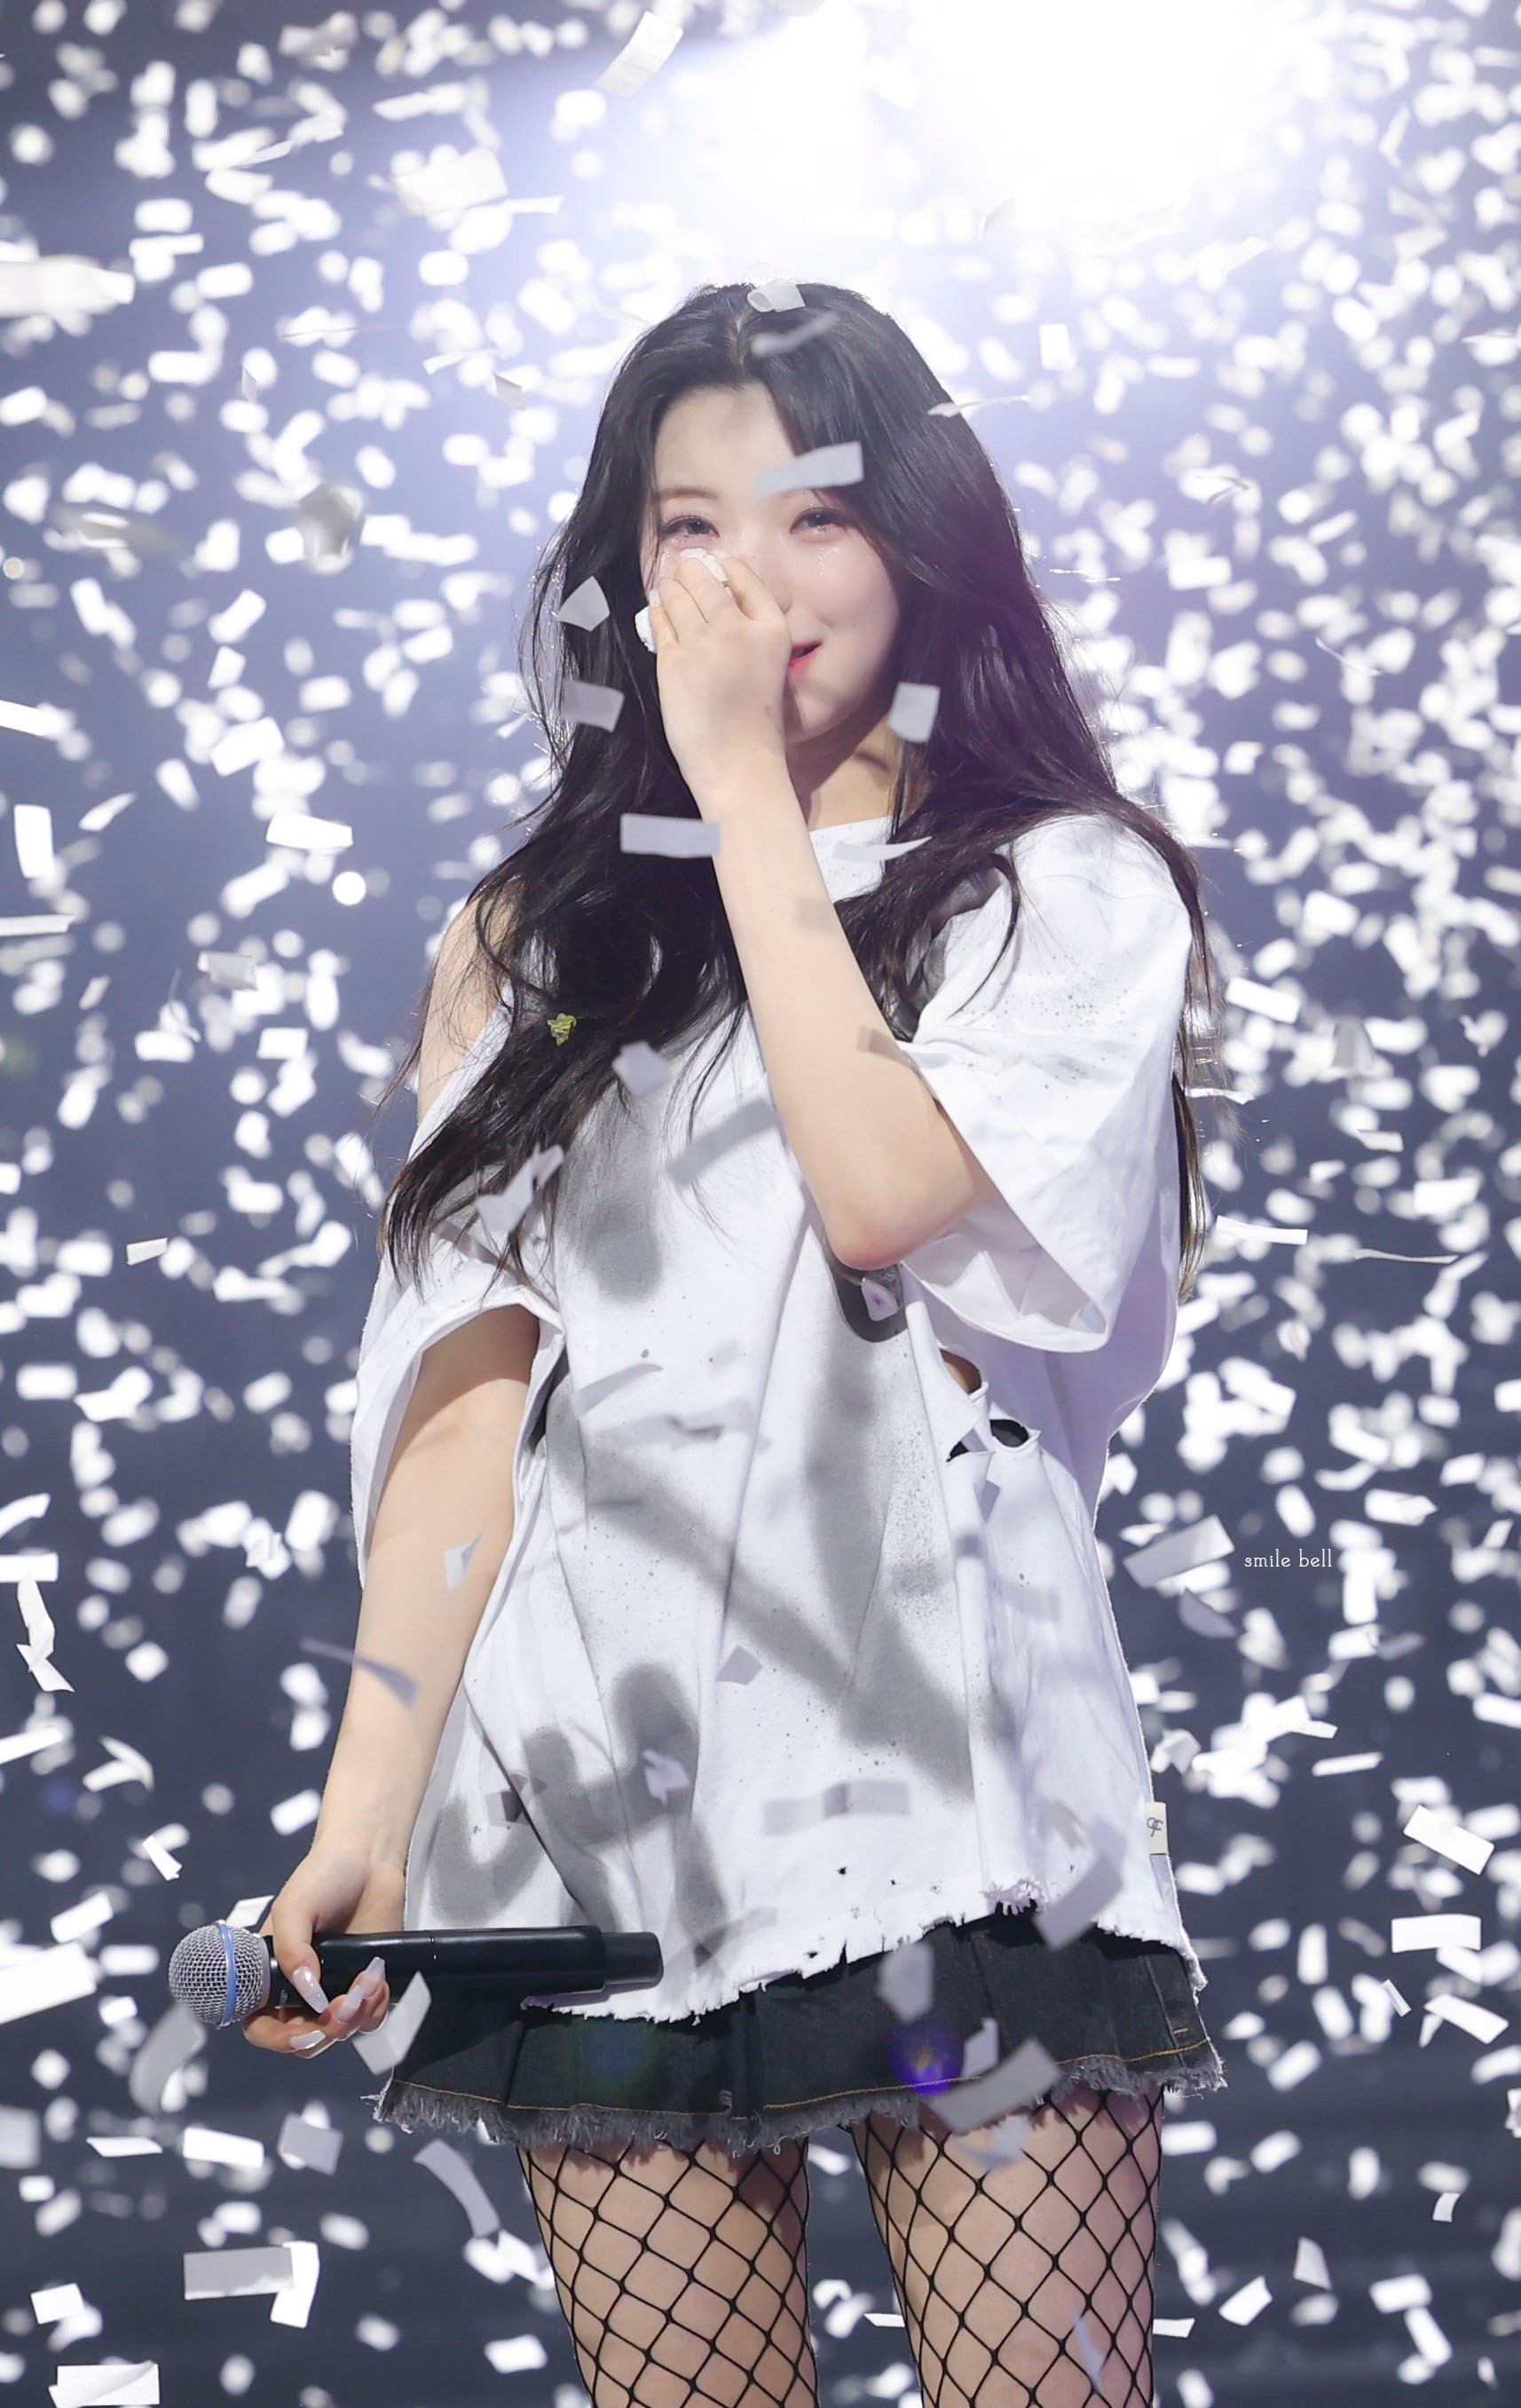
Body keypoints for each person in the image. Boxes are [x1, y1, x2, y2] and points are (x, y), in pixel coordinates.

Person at [245, 280, 1228, 2407]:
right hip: (591, 1801)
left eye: (811, 518)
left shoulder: (1058, 889)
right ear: (627, 573)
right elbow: (464, 1405)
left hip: (963, 1805)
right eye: (688, 527)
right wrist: (364, 1806)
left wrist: (739, 798)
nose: (747, 581)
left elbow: (877, 1190)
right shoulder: (528, 941)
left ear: (918, 545)